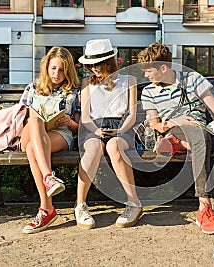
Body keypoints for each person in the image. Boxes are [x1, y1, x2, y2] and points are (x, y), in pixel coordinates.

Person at [137, 42, 214, 235]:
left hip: (203, 129)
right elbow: (155, 125)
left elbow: (213, 106)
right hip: (175, 128)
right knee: (200, 137)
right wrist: (175, 122)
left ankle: (180, 146)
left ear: (163, 68)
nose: (146, 76)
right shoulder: (149, 91)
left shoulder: (192, 79)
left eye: (148, 71)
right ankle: (204, 206)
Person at [75, 39, 142, 229]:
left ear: (109, 61)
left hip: (122, 128)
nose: (94, 68)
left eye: (98, 63)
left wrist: (120, 130)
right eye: (91, 64)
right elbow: (86, 117)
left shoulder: (129, 80)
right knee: (94, 147)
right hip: (93, 128)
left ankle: (134, 203)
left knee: (114, 146)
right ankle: (80, 205)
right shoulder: (87, 83)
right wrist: (96, 130)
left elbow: (131, 113)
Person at [20, 46, 80, 234]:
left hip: (60, 134)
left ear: (68, 70)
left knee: (32, 149)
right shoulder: (33, 88)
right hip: (31, 131)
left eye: (62, 69)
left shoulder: (74, 91)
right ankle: (49, 177)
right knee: (35, 119)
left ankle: (46, 209)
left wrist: (70, 122)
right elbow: (23, 119)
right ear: (46, 67)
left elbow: (79, 127)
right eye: (53, 68)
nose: (57, 73)